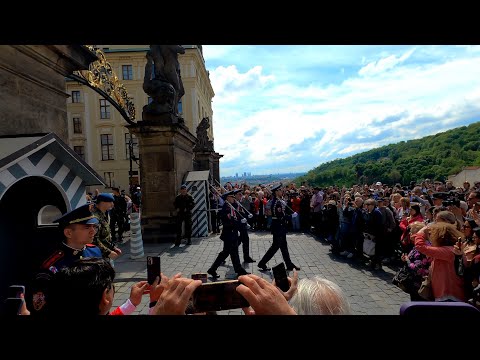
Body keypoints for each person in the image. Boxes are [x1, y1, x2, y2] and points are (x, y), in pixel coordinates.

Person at [27, 203, 103, 315]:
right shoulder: (54, 263)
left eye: (95, 227)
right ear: (68, 233)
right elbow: (41, 306)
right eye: (87, 227)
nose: (93, 231)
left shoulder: (95, 251)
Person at [257, 183, 300, 272]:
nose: (282, 191)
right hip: (278, 227)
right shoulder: (276, 202)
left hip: (281, 227)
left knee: (284, 247)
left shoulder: (279, 201)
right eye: (280, 190)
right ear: (276, 192)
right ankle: (262, 263)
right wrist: (291, 217)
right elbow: (280, 216)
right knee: (275, 247)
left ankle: (289, 264)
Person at [207, 190, 249, 279]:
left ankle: (213, 269)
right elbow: (228, 223)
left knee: (228, 253)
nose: (234, 198)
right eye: (232, 197)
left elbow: (237, 214)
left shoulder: (231, 207)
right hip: (228, 234)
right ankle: (238, 270)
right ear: (228, 198)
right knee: (231, 253)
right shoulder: (226, 209)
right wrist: (239, 222)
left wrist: (243, 219)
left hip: (232, 234)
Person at [92, 193, 122, 261]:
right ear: (103, 203)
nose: (112, 204)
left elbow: (105, 236)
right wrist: (108, 252)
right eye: (110, 202)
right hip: (98, 255)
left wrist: (113, 247)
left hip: (105, 254)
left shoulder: (105, 214)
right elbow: (94, 240)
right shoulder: (95, 217)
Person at [233, 189, 256, 263]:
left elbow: (242, 213)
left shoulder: (239, 203)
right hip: (238, 226)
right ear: (235, 195)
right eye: (239, 194)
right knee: (235, 244)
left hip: (243, 226)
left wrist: (247, 215)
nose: (241, 196)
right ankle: (224, 256)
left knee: (245, 240)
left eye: (241, 194)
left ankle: (246, 257)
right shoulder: (233, 204)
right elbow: (235, 215)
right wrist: (242, 219)